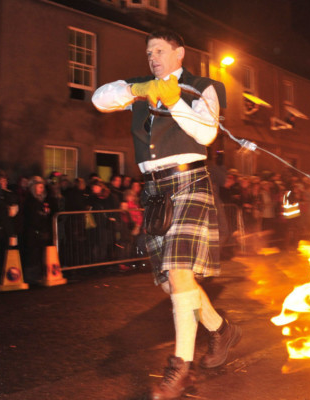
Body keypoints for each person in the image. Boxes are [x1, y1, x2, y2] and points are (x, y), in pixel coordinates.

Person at [91, 29, 239, 399]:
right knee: (169, 282)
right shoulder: (142, 86)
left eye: (159, 50)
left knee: (178, 274)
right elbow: (99, 98)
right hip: (155, 190)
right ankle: (221, 330)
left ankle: (181, 369)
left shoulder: (205, 86)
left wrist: (174, 102)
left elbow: (206, 134)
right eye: (148, 52)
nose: (152, 57)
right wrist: (138, 90)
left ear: (179, 53)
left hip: (188, 182)